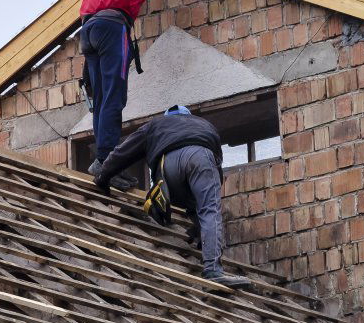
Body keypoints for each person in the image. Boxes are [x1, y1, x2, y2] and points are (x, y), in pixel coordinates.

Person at [80, 0, 217, 190]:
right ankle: (106, 161)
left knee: (100, 98)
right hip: (112, 27)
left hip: (87, 31)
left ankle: (102, 157)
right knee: (113, 97)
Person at [94, 105, 252, 290]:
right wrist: (203, 226)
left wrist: (103, 177)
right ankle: (213, 271)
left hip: (168, 170)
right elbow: (214, 176)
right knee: (209, 210)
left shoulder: (156, 124)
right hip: (201, 158)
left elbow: (123, 152)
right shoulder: (206, 126)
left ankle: (160, 214)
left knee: (159, 196)